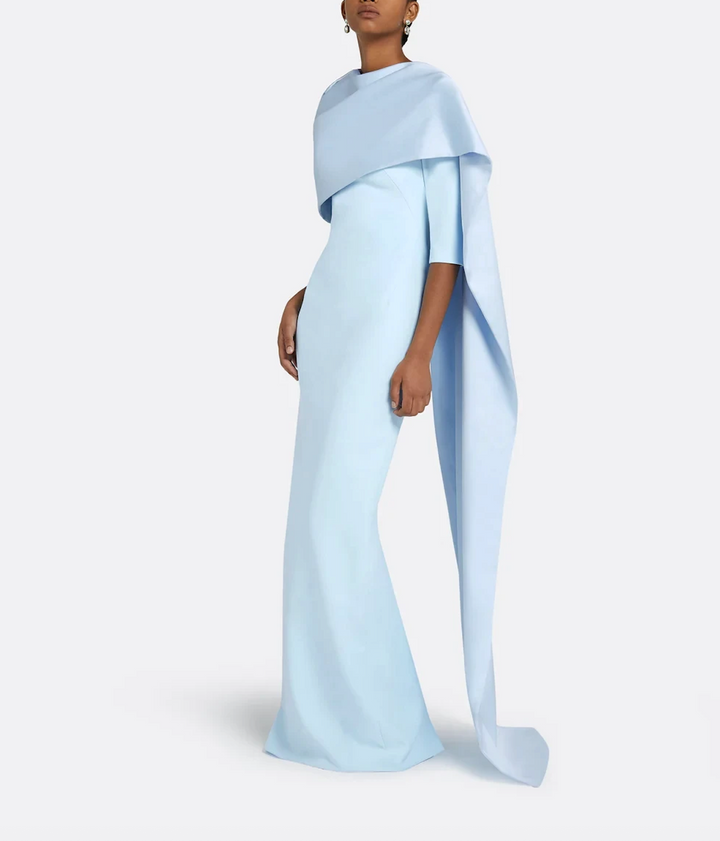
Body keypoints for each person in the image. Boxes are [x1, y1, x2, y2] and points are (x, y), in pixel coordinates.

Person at [265, 0, 549, 787]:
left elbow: (443, 249)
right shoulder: (332, 103)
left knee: (339, 513)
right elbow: (356, 229)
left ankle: (385, 726)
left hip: (390, 325)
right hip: (334, 314)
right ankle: (318, 721)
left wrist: (420, 350)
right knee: (312, 520)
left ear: (412, 8)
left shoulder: (434, 96)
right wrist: (303, 297)